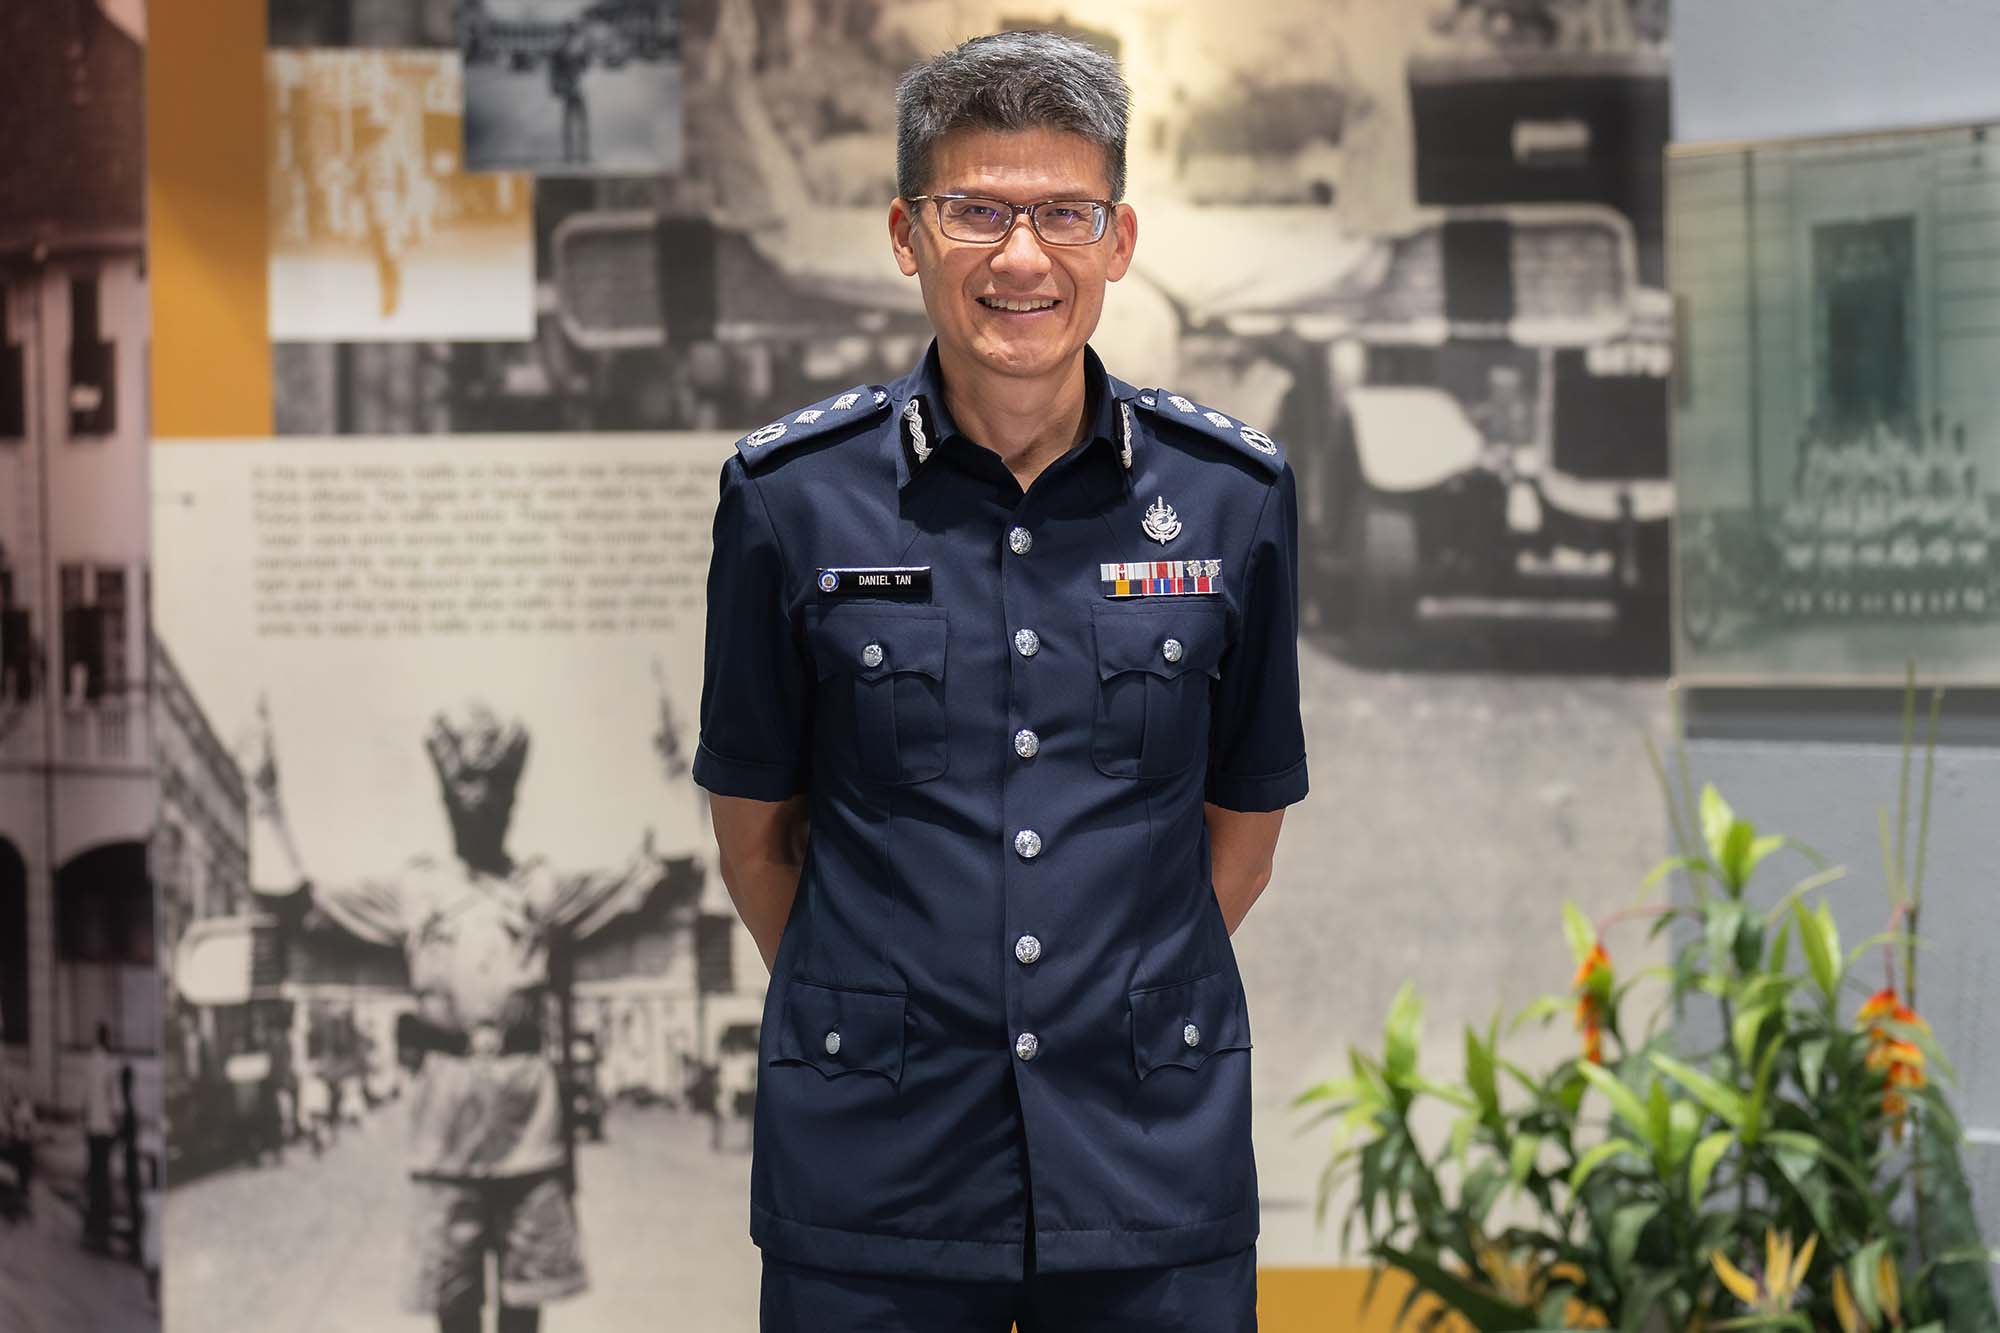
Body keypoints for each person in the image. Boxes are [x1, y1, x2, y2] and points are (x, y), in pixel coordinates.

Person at [692, 32, 1308, 1332]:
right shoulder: (790, 501)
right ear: (906, 235)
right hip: (874, 1177)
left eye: (1063, 214)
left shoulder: (1230, 500)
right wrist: (900, 1010)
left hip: (1148, 1165)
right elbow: (756, 843)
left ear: (1118, 239)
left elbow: (1241, 843)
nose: (1021, 258)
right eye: (975, 210)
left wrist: (1099, 1002)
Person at [254, 702, 671, 1333]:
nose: (478, 801)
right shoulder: (415, 892)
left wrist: (674, 769)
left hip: (529, 1120)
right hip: (445, 1122)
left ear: (512, 800)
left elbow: (651, 886)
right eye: (464, 787)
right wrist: (264, 801)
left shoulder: (540, 889)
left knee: (526, 1299)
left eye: (493, 788)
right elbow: (302, 909)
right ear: (445, 799)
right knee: (452, 1302)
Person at [82, 1022, 118, 1253]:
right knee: (103, 1179)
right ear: (106, 1038)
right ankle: (101, 1229)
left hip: (92, 1128)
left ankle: (91, 1226)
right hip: (104, 1129)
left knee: (94, 1176)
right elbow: (112, 1100)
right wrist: (116, 1124)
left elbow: (86, 1097)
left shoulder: (90, 1062)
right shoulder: (109, 1064)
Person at [548, 21, 591, 165]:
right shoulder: (561, 49)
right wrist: (555, 86)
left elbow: (585, 65)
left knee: (576, 120)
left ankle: (578, 154)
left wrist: (555, 86)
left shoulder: (573, 48)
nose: (571, 35)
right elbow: (554, 70)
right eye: (571, 32)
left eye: (572, 32)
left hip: (576, 87)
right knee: (576, 120)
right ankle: (575, 154)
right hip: (571, 88)